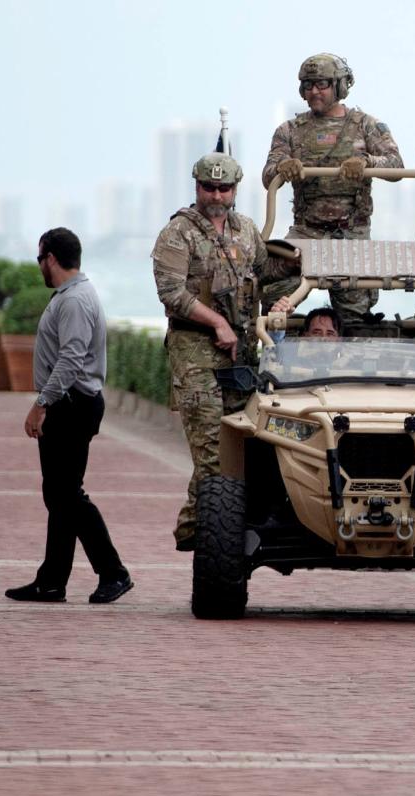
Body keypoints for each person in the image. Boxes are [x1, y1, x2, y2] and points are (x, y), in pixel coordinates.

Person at [154, 153, 296, 551]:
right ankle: (206, 539)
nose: (216, 195)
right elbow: (171, 293)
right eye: (209, 187)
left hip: (241, 356)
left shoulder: (246, 230)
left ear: (235, 189)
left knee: (242, 449)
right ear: (196, 186)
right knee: (213, 452)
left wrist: (298, 266)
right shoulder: (178, 233)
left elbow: (267, 273)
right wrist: (216, 323)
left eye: (224, 188)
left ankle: (193, 525)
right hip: (196, 353)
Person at [5, 228, 133, 605]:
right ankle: (51, 581)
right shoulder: (70, 295)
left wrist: (41, 403)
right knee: (59, 495)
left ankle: (114, 572)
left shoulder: (75, 300)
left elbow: (72, 358)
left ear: (50, 258)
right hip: (69, 403)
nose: (39, 267)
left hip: (71, 405)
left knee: (67, 494)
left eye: (39, 259)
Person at [262, 53, 403, 326]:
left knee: (354, 319)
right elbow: (269, 176)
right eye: (309, 85)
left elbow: (396, 166)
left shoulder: (366, 125)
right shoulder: (289, 130)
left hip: (351, 233)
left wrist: (367, 162)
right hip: (305, 232)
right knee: (274, 303)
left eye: (323, 84)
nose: (315, 91)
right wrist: (284, 168)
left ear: (340, 86)